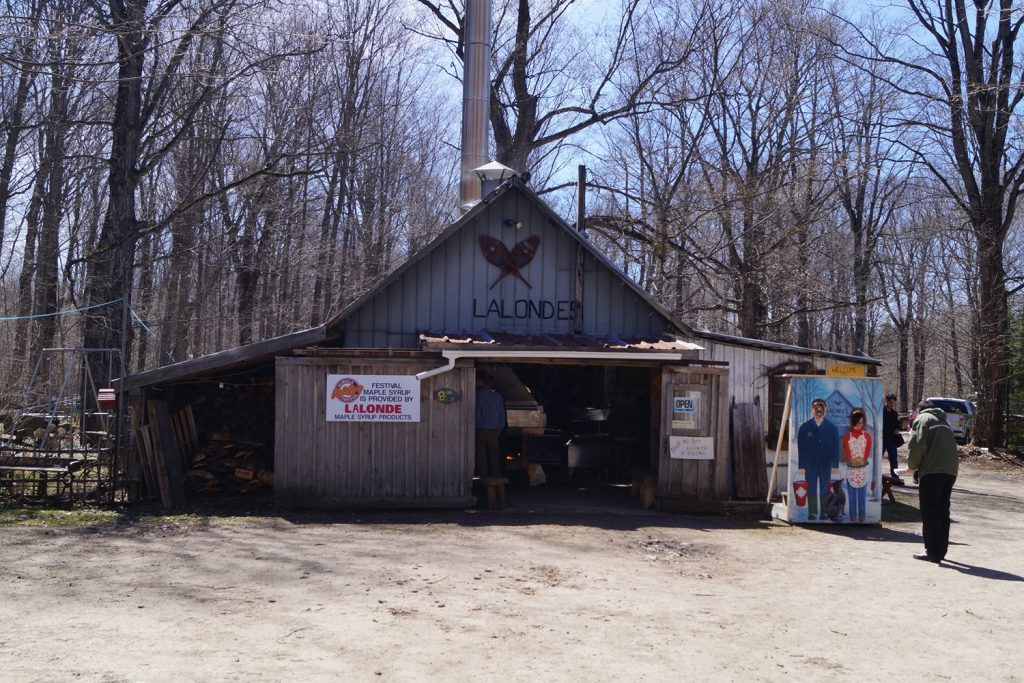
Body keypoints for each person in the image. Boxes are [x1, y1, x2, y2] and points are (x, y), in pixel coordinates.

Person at [905, 399, 959, 563]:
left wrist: (912, 467)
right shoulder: (944, 421)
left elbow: (917, 445)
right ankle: (941, 550)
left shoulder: (922, 419)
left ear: (919, 410)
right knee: (943, 511)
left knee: (930, 512)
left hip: (932, 470)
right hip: (950, 471)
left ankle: (932, 551)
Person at [796, 398, 841, 521]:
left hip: (825, 464)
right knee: (811, 487)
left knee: (825, 488)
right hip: (810, 464)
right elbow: (801, 448)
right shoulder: (805, 428)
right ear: (812, 410)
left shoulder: (832, 428)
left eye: (821, 407)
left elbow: (836, 448)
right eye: (815, 407)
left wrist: (835, 465)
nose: (818, 409)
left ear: (825, 410)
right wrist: (801, 466)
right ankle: (813, 513)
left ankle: (824, 513)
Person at [842, 409, 873, 523]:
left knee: (862, 494)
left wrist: (862, 460)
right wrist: (852, 461)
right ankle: (853, 515)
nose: (860, 424)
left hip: (863, 468)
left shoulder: (867, 436)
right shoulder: (847, 437)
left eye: (862, 422)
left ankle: (862, 515)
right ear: (853, 421)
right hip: (851, 468)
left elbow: (867, 451)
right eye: (858, 422)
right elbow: (847, 451)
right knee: (851, 494)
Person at [474, 371, 506, 479]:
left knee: (481, 458)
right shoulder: (498, 396)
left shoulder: (476, 395)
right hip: (493, 432)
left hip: (479, 431)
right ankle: (496, 480)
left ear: (481, 381)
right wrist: (497, 432)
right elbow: (502, 418)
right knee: (494, 458)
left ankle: (484, 480)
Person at [883, 393, 904, 483]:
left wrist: (897, 429)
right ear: (886, 401)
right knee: (878, 458)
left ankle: (895, 478)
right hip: (882, 439)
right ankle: (875, 476)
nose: (892, 404)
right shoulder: (881, 412)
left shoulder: (894, 414)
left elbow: (897, 425)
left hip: (891, 440)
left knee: (894, 460)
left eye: (893, 403)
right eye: (891, 402)